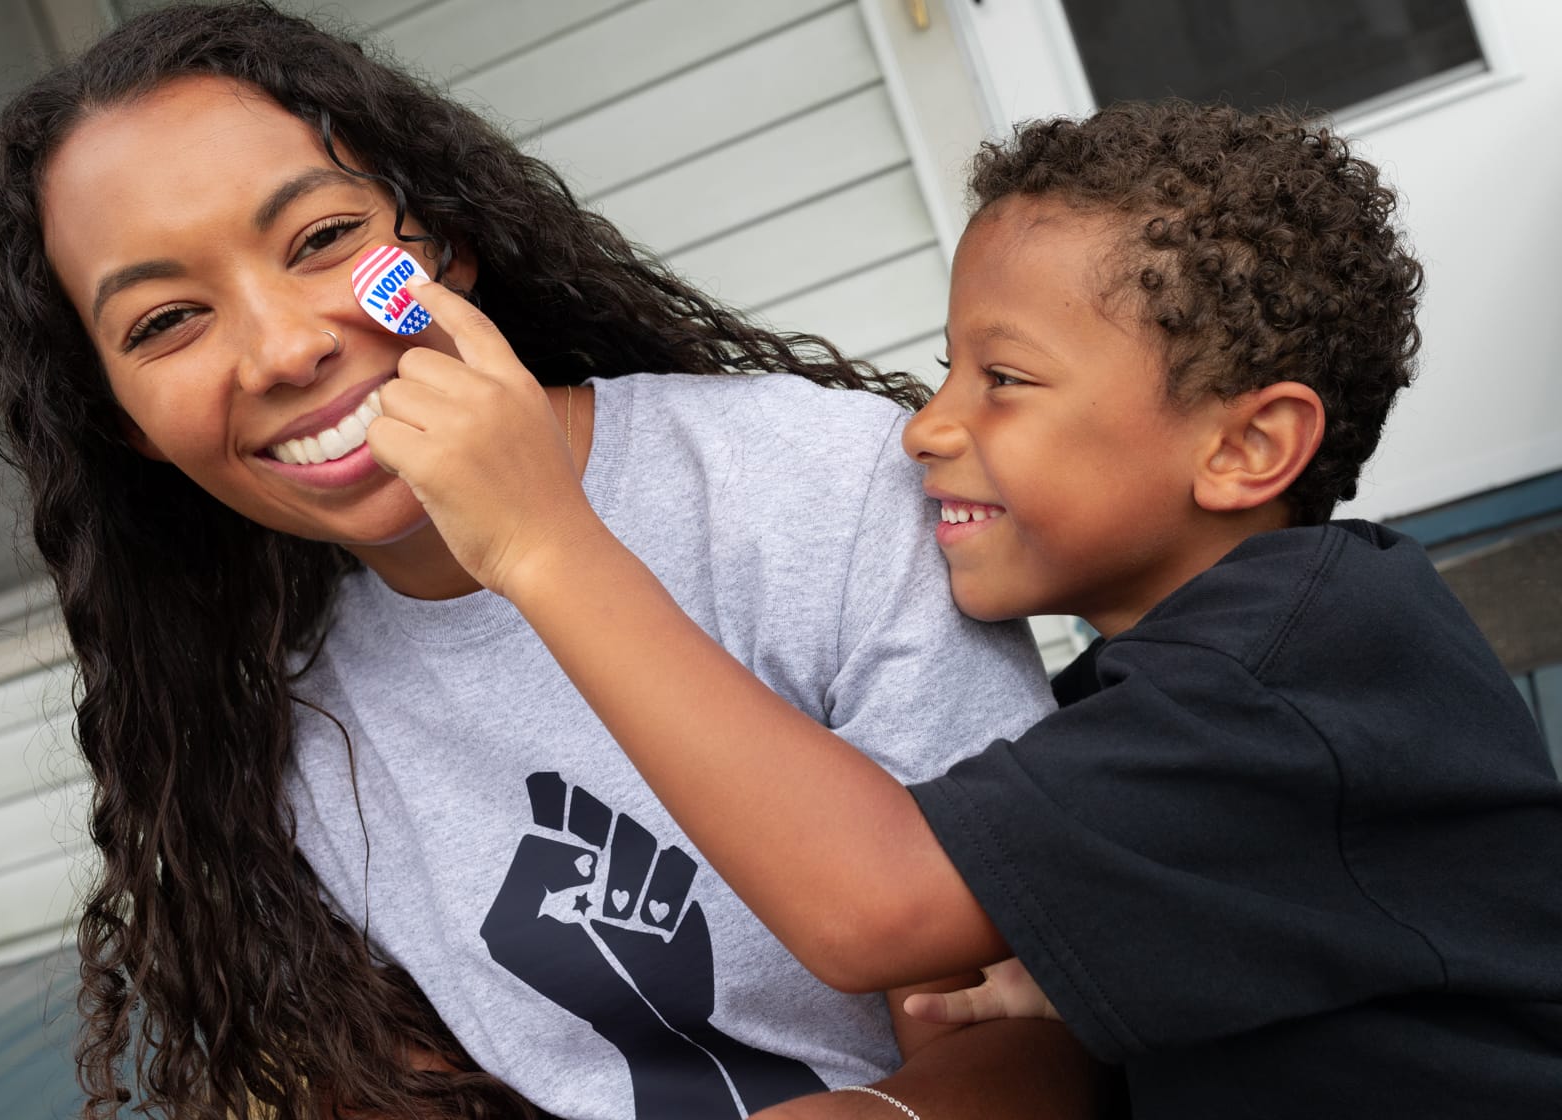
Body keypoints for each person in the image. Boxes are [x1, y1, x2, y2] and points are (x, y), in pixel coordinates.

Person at [0, 4, 1107, 1118]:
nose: (286, 348)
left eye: (321, 241)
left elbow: (1040, 1027)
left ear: (443, 241)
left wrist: (538, 543)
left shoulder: (807, 491)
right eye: (166, 321)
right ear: (121, 419)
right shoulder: (277, 717)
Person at [370, 100, 1562, 1118]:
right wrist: (1083, 966)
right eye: (946, 372)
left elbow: (870, 906)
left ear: (1247, 444)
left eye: (1003, 380)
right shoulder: (1209, 677)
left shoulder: (1297, 669)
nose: (927, 425)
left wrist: (544, 541)